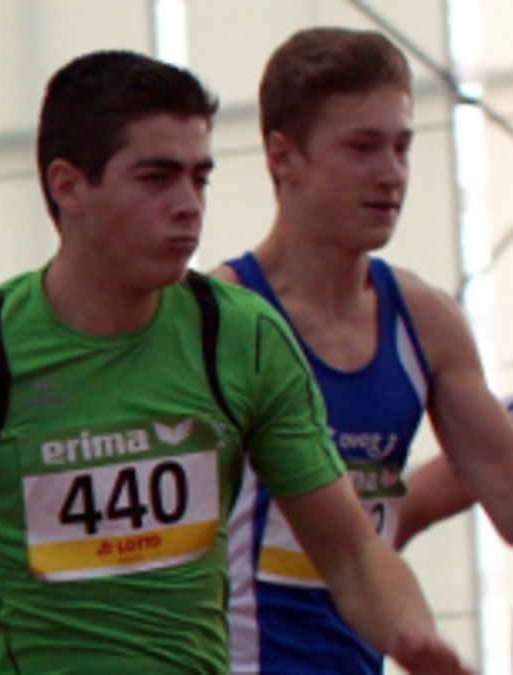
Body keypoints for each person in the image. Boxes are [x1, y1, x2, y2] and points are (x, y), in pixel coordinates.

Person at [0, 49, 471, 675]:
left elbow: (353, 554)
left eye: (200, 178)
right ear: (68, 186)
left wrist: (414, 637)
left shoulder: (240, 338)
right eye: (156, 178)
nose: (188, 204)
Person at [213, 27, 513, 675]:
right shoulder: (216, 320)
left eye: (402, 147)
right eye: (362, 147)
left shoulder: (424, 322)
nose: (390, 174)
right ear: (282, 156)